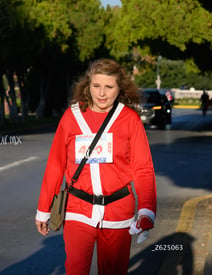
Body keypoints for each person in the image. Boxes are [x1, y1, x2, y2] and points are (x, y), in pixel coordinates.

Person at [35, 58, 156, 275]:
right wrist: (44, 209)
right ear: (87, 85)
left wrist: (146, 209)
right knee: (75, 270)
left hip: (118, 212)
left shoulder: (129, 119)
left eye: (109, 87)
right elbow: (56, 164)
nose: (101, 93)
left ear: (119, 88)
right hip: (77, 210)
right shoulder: (71, 117)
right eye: (96, 86)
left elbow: (143, 168)